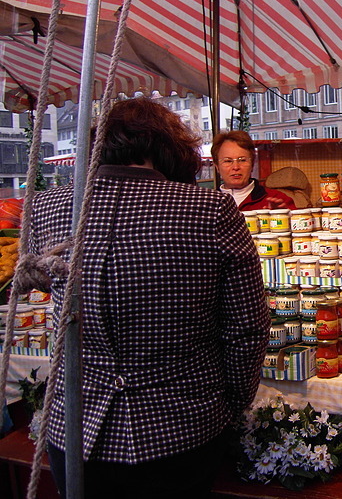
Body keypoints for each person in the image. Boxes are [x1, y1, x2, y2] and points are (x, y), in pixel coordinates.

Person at [30, 98, 270, 498]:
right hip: (181, 426)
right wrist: (234, 402)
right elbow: (247, 326)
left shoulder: (46, 206)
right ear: (168, 149)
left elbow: (51, 290)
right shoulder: (208, 208)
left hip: (75, 430)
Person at [211, 130, 296, 210]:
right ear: (217, 166)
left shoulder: (277, 199)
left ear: (252, 164)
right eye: (228, 161)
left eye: (242, 160)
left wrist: (284, 217)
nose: (236, 167)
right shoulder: (208, 202)